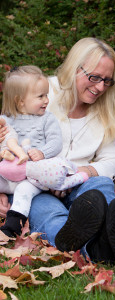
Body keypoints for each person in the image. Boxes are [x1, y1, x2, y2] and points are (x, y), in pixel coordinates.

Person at [0, 38, 115, 264]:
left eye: (107, 80)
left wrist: (78, 173)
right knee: (48, 213)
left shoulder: (107, 109)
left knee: (102, 185)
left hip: (79, 182)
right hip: (37, 186)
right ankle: (96, 249)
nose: (100, 87)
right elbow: (9, 137)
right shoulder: (42, 91)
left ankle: (105, 238)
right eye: (94, 77)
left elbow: (113, 161)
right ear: (75, 68)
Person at [0, 65, 63, 237]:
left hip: (32, 176)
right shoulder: (5, 120)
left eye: (46, 95)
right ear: (20, 101)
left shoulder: (47, 119)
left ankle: (13, 226)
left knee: (24, 192)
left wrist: (42, 152)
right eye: (41, 96)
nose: (46, 100)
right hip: (8, 173)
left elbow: (56, 142)